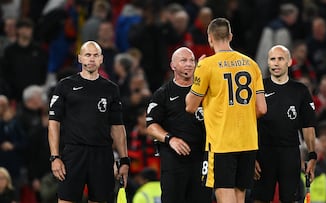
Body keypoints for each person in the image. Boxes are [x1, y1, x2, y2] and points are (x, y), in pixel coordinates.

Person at [185, 18, 267, 203]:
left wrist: (198, 70)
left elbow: (190, 106)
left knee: (224, 193)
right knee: (240, 195)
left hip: (222, 141)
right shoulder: (251, 64)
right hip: (248, 141)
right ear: (230, 36)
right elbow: (262, 108)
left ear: (210, 38)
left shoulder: (206, 66)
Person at [48, 41, 130, 203]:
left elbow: (118, 127)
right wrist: (54, 157)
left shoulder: (111, 89)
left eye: (95, 55)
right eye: (87, 55)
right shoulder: (65, 85)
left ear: (101, 59)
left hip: (102, 155)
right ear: (80, 58)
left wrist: (124, 160)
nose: (91, 59)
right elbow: (53, 123)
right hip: (73, 153)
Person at [252, 45, 317, 203]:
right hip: (263, 153)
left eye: (280, 59)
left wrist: (312, 155)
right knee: (260, 199)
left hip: (290, 153)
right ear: (268, 62)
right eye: (272, 59)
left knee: (290, 199)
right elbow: (249, 124)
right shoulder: (258, 88)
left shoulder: (300, 90)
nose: (276, 63)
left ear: (289, 62)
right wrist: (251, 156)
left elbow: (308, 126)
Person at [146, 47, 212, 203]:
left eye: (192, 60)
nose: (189, 64)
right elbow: (150, 125)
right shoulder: (163, 93)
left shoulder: (207, 91)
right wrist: (170, 139)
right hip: (174, 159)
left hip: (202, 157)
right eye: (184, 60)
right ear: (173, 65)